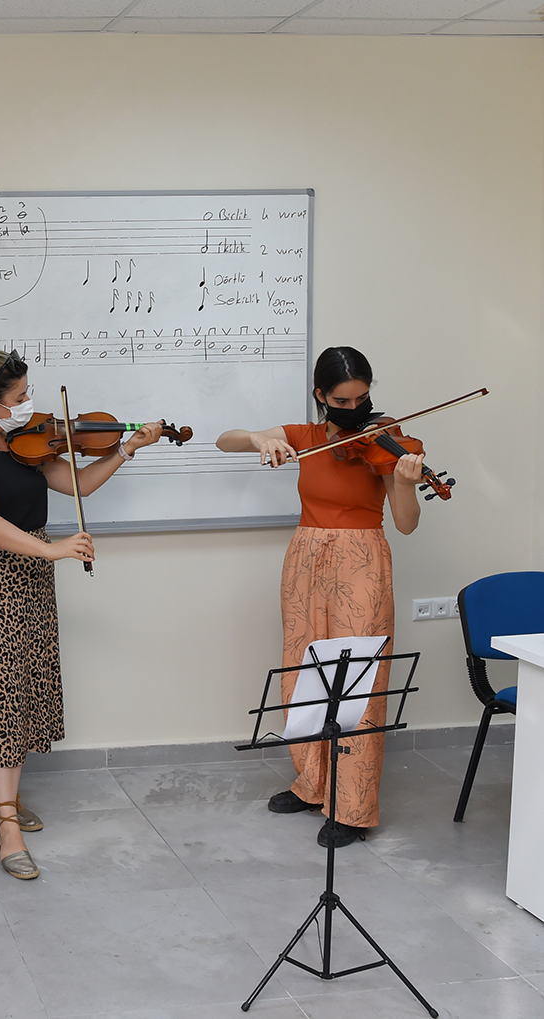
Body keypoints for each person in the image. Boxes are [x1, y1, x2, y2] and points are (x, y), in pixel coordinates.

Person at [0, 349, 161, 879]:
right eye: (19, 397)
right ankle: (7, 823)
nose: (28, 404)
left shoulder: (24, 443)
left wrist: (126, 449)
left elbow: (78, 484)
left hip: (32, 578)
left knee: (23, 687)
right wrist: (52, 550)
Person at [216, 345, 425, 848]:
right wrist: (260, 438)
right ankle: (312, 784)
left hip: (362, 560)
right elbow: (225, 440)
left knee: (358, 681)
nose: (354, 409)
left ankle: (352, 808)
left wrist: (404, 484)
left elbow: (405, 524)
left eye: (362, 399)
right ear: (321, 396)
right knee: (303, 669)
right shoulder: (304, 437)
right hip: (305, 558)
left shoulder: (385, 440)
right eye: (342, 400)